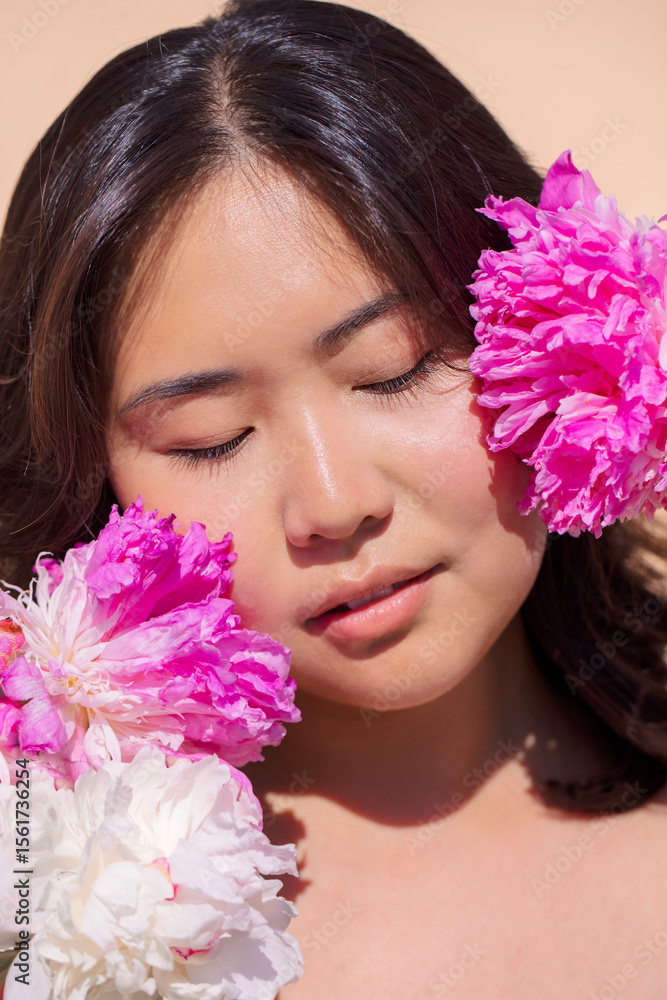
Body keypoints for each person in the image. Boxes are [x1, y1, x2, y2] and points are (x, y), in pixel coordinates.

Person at [1, 1, 667, 996]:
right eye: (208, 438)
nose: (333, 502)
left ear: (561, 322)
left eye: (393, 371)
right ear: (89, 488)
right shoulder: (45, 908)